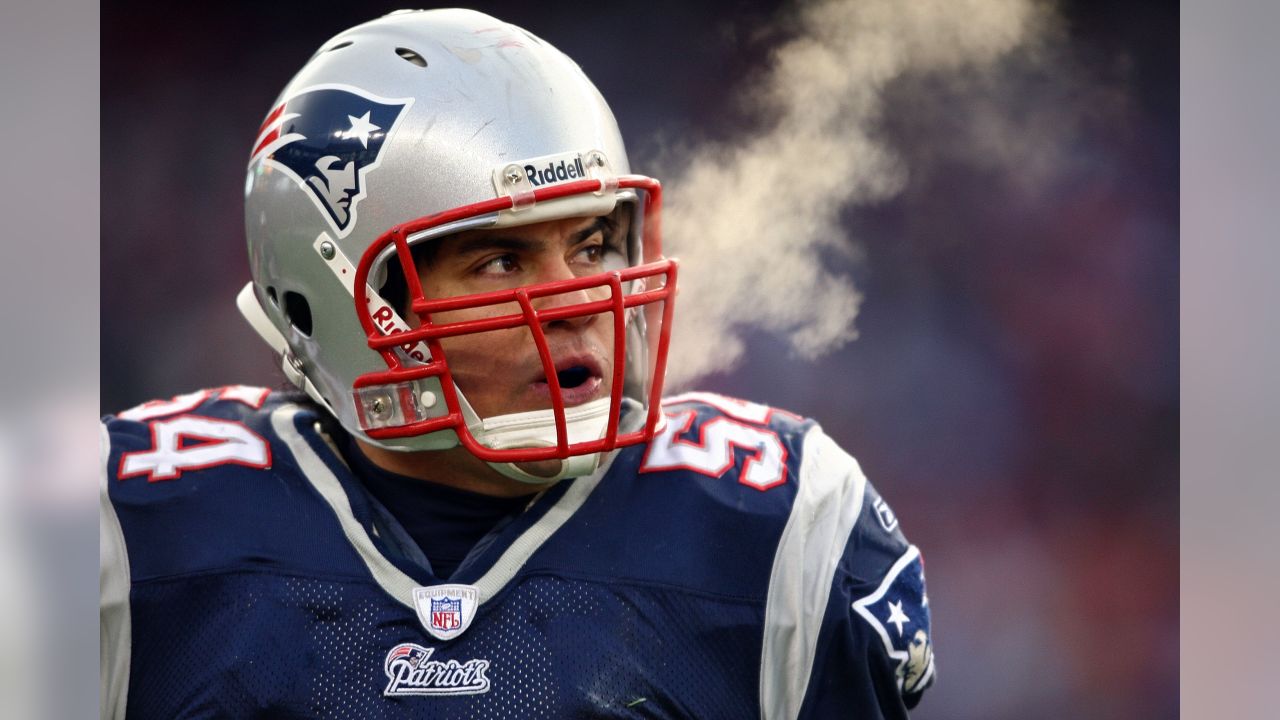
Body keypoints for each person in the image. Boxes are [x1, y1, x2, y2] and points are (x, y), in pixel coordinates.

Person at [100, 9, 935, 719]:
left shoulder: (780, 531)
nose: (575, 298)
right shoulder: (122, 535)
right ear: (345, 300)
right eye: (500, 261)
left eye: (593, 243)